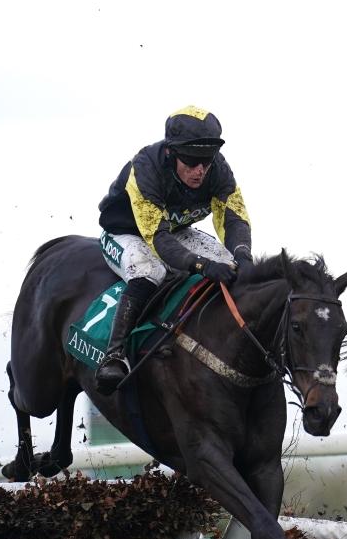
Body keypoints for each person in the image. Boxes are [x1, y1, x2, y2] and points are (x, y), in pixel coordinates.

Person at [93, 106, 253, 395]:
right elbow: (157, 238)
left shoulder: (219, 170)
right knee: (150, 271)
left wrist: (243, 256)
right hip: (126, 233)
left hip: (175, 230)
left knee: (230, 263)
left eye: (206, 161)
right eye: (191, 161)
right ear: (171, 152)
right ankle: (114, 355)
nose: (200, 170)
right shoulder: (145, 167)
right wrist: (201, 265)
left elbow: (233, 218)